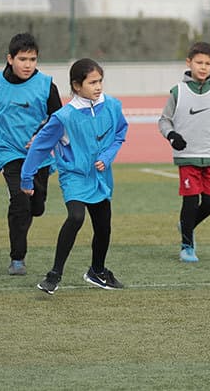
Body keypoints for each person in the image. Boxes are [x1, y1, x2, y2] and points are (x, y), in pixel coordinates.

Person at [22, 58, 129, 294]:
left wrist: (108, 156)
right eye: (92, 82)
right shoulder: (64, 117)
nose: (98, 86)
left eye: (100, 81)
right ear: (77, 86)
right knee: (76, 217)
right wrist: (26, 178)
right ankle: (54, 274)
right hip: (74, 176)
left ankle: (98, 272)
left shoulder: (112, 106)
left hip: (101, 176)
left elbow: (120, 133)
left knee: (104, 226)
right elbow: (39, 146)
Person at [0, 32, 63, 276]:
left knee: (36, 206)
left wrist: (42, 136)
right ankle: (17, 259)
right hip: (8, 151)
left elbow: (58, 118)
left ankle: (33, 203)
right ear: (10, 58)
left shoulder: (46, 85)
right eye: (23, 59)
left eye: (32, 59)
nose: (28, 64)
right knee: (20, 200)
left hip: (39, 155)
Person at [158, 42, 210, 263]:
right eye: (199, 62)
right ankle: (187, 245)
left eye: (208, 63)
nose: (203, 67)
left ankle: (186, 224)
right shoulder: (177, 91)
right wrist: (172, 136)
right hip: (188, 157)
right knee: (190, 202)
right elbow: (164, 120)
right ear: (189, 62)